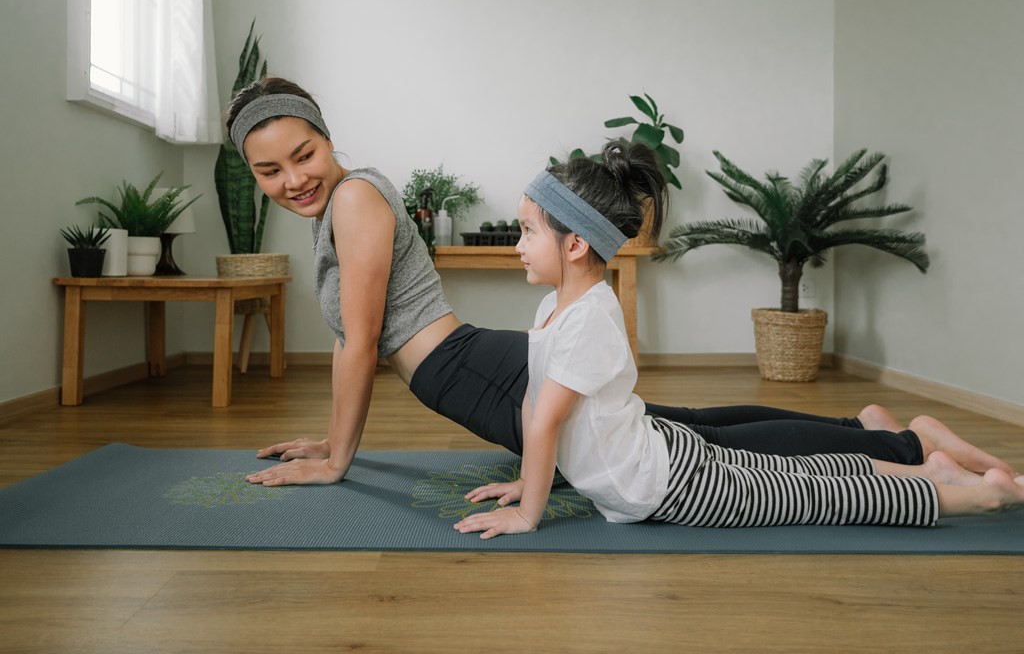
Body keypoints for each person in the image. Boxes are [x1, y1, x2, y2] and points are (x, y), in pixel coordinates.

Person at [228, 77, 1008, 487]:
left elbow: (362, 342)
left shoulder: (358, 197)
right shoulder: (337, 204)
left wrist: (339, 463)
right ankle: (868, 433)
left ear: (328, 139)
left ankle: (904, 445)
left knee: (688, 442)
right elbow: (353, 340)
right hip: (472, 370)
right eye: (268, 170)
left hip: (475, 372)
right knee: (683, 425)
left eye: (304, 154)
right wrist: (332, 439)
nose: (293, 177)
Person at [454, 141, 1024, 538]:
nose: (519, 243)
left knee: (810, 496)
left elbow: (547, 420)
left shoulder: (588, 318)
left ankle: (972, 494)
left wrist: (528, 515)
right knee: (803, 474)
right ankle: (933, 471)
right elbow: (535, 407)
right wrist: (525, 479)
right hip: (661, 454)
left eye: (529, 230)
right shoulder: (554, 305)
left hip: (667, 485)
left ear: (576, 244)